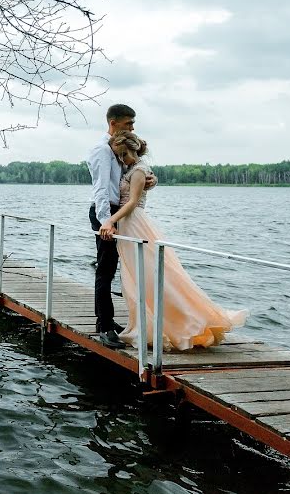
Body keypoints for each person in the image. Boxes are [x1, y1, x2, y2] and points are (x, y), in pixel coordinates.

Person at [100, 132, 248, 350]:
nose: (121, 159)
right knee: (134, 278)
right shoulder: (131, 168)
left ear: (130, 151)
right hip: (127, 225)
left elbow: (132, 202)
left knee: (149, 274)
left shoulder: (139, 169)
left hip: (134, 223)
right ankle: (144, 323)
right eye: (118, 156)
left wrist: (110, 221)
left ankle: (179, 321)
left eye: (122, 155)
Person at [87, 104, 155, 349]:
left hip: (118, 214)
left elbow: (129, 177)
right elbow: (102, 190)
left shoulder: (119, 148)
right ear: (113, 123)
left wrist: (149, 179)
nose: (133, 127)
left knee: (113, 268)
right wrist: (106, 221)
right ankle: (104, 326)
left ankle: (105, 320)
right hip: (106, 214)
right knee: (105, 269)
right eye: (128, 123)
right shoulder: (102, 151)